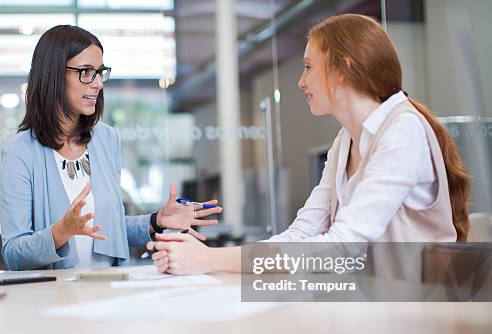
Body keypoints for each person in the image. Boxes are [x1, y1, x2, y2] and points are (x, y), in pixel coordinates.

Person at [147, 14, 471, 275]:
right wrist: (209, 257)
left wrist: (209, 260)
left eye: (308, 66)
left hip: (420, 315)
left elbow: (343, 247)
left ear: (342, 68)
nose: (301, 82)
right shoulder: (346, 139)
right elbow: (301, 234)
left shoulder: (403, 131)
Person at [0, 25, 221, 270]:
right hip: (54, 298)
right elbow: (13, 254)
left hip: (109, 290)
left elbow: (110, 228)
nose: (97, 84)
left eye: (99, 72)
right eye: (85, 72)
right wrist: (61, 232)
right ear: (52, 74)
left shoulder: (106, 139)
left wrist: (156, 221)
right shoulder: (19, 154)